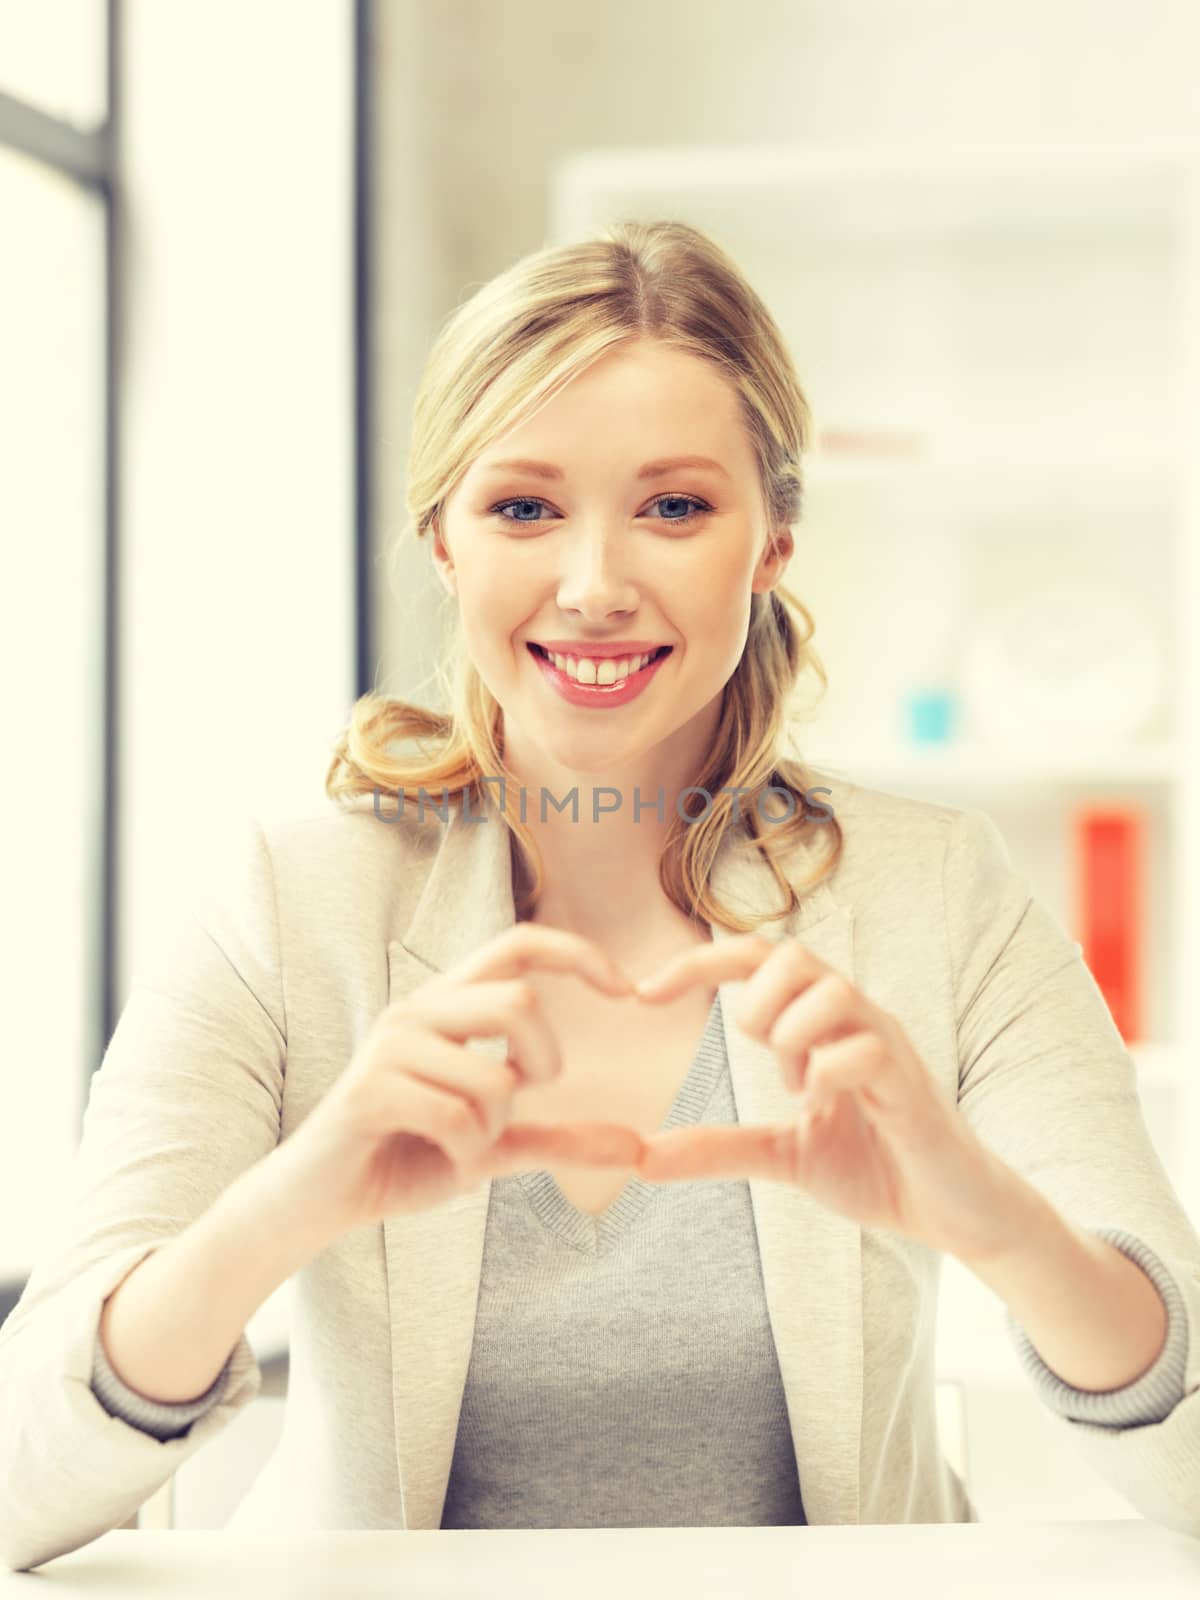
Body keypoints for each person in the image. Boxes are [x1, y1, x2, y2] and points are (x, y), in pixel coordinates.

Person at [2, 220, 1199, 1573]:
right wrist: (297, 1196)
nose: (593, 587)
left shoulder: (942, 896)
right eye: (523, 507)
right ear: (445, 542)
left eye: (676, 507)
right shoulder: (290, 904)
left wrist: (982, 1212)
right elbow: (16, 1482)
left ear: (772, 545)